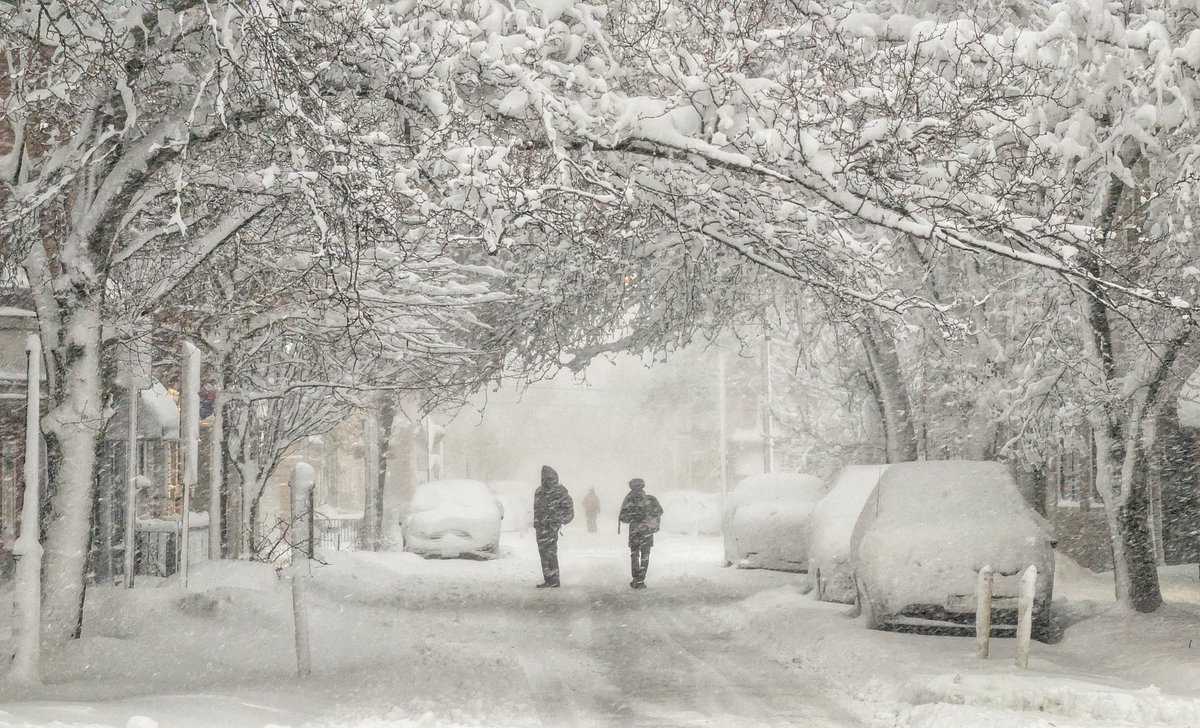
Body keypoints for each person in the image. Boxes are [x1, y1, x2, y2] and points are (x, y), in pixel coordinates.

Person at [533, 465, 573, 588]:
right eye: (544, 477)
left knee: (550, 553)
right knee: (544, 554)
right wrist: (537, 523)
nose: (546, 480)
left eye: (549, 477)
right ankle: (548, 579)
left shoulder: (559, 491)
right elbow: (536, 509)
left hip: (550, 528)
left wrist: (558, 520)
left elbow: (569, 511)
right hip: (541, 528)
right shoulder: (539, 491)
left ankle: (554, 580)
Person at [618, 478, 663, 589]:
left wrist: (633, 515)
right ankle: (641, 579)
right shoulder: (651, 499)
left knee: (634, 555)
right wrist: (649, 516)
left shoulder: (629, 501)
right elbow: (659, 511)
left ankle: (635, 578)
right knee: (645, 555)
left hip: (635, 531)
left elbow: (623, 518)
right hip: (647, 531)